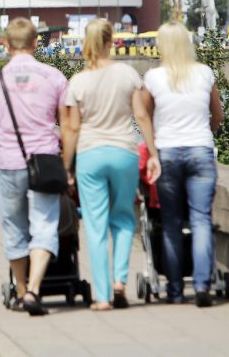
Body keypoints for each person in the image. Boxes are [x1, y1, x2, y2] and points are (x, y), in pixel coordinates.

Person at [61, 18, 161, 311]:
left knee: (94, 225)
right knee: (123, 219)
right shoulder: (127, 73)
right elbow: (142, 116)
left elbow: (72, 128)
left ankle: (103, 296)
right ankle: (120, 282)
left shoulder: (78, 81)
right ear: (111, 42)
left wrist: (68, 166)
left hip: (91, 154)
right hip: (124, 152)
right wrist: (153, 153)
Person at [0, 17, 69, 316]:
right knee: (45, 225)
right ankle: (34, 290)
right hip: (44, 160)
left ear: (6, 45)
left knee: (14, 226)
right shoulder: (54, 77)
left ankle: (20, 289)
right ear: (35, 43)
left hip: (9, 162)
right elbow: (67, 126)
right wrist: (66, 165)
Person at [143, 22, 224, 307]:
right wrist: (206, 132)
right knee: (201, 219)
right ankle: (202, 286)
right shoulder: (204, 73)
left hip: (167, 153)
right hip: (200, 151)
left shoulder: (153, 77)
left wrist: (153, 147)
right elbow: (217, 114)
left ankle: (175, 290)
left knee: (171, 223)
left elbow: (145, 115)